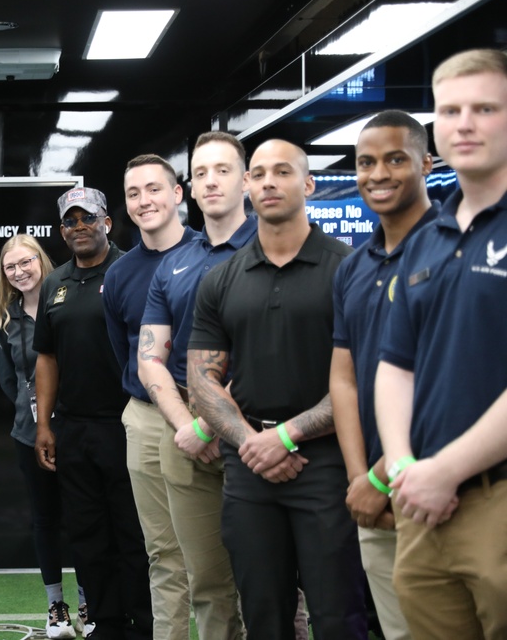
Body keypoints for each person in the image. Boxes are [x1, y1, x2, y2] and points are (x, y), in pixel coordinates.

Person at [187, 139, 367, 639]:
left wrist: (284, 437)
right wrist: (252, 442)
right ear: (247, 185)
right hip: (248, 468)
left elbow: (360, 381)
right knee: (263, 614)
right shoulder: (221, 279)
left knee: (338, 615)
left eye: (283, 172)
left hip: (326, 464)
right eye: (259, 173)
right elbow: (202, 380)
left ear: (308, 184)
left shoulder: (348, 269)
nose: (268, 181)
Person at [376, 48, 507, 640]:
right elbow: (395, 365)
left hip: (494, 498)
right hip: (422, 506)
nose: (466, 123)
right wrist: (404, 467)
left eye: (485, 107)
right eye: (451, 110)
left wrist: (445, 471)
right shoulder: (428, 240)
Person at [138, 132, 255, 640]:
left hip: (256, 432)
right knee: (207, 584)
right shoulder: (173, 263)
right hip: (184, 438)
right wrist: (189, 425)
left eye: (223, 170)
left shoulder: (269, 247)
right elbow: (151, 359)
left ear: (246, 180)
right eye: (201, 172)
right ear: (190, 186)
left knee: (268, 583)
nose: (211, 181)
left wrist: (215, 422)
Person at [330, 111, 436, 640]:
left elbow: (448, 380)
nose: (378, 173)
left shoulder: (453, 249)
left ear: (426, 163)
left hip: (442, 488)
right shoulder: (353, 266)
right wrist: (358, 480)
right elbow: (344, 379)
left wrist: (380, 477)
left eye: (396, 159)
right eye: (366, 162)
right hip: (372, 499)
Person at [34, 187, 153, 640]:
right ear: (62, 231)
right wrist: (45, 424)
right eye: (70, 221)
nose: (79, 227)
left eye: (88, 219)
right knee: (86, 534)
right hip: (74, 428)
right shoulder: (55, 283)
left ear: (107, 222)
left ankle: (144, 625)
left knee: (133, 534)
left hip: (126, 421)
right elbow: (46, 357)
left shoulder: (130, 269)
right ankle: (106, 623)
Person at [101, 154, 192, 640]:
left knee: (232, 546)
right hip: (147, 418)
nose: (144, 200)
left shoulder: (212, 255)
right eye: (134, 193)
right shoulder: (119, 274)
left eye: (154, 189)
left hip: (214, 418)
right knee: (162, 551)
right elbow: (127, 350)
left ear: (178, 194)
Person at [0, 234, 94, 639]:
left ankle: (89, 600)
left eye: (25, 262)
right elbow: (6, 382)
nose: (19, 272)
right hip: (29, 434)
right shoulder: (3, 321)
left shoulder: (67, 304)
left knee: (84, 517)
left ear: (41, 261)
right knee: (46, 519)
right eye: (10, 267)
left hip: (77, 429)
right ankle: (57, 608)